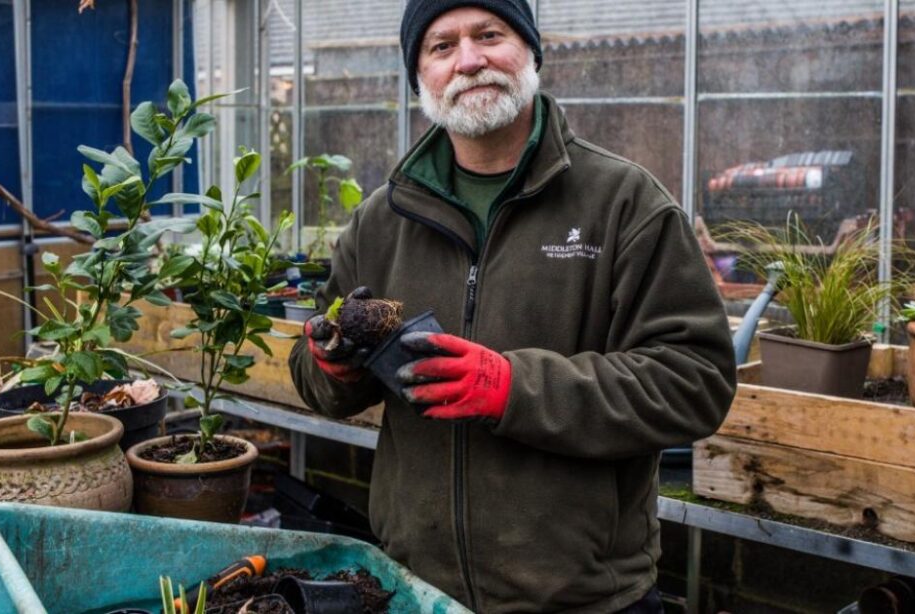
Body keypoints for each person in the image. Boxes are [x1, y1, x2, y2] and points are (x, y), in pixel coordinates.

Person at [288, 0, 737, 610]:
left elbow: (696, 381)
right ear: (420, 76)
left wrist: (513, 387)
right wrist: (332, 363)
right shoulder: (383, 219)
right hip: (415, 588)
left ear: (530, 50)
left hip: (580, 595)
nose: (469, 60)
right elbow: (318, 379)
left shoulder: (623, 204)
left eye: (489, 35)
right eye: (441, 46)